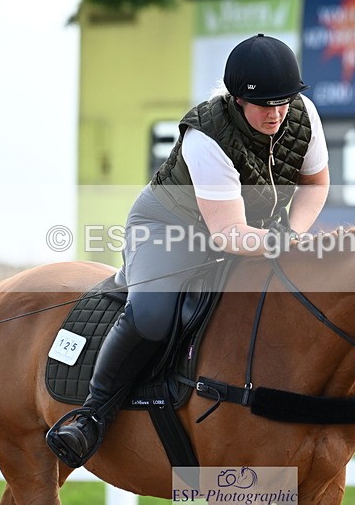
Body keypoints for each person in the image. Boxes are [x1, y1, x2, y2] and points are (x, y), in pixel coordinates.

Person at [46, 33, 330, 468]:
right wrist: (280, 242)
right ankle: (91, 416)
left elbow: (315, 184)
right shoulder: (206, 138)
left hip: (250, 230)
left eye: (284, 101)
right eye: (264, 104)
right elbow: (228, 234)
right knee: (154, 315)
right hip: (169, 229)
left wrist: (289, 232)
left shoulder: (303, 114)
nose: (276, 113)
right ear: (236, 100)